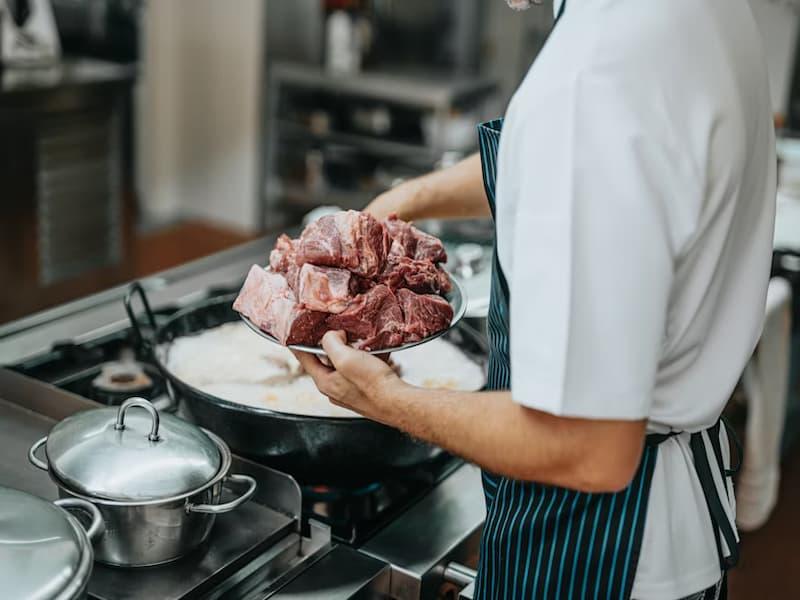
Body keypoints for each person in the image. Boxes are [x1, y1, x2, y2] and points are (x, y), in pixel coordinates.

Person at [293, 0, 777, 598]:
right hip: (671, 525)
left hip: (599, 551)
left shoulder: (593, 77)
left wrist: (386, 399)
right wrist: (404, 199)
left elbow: (586, 445)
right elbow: (552, 160)